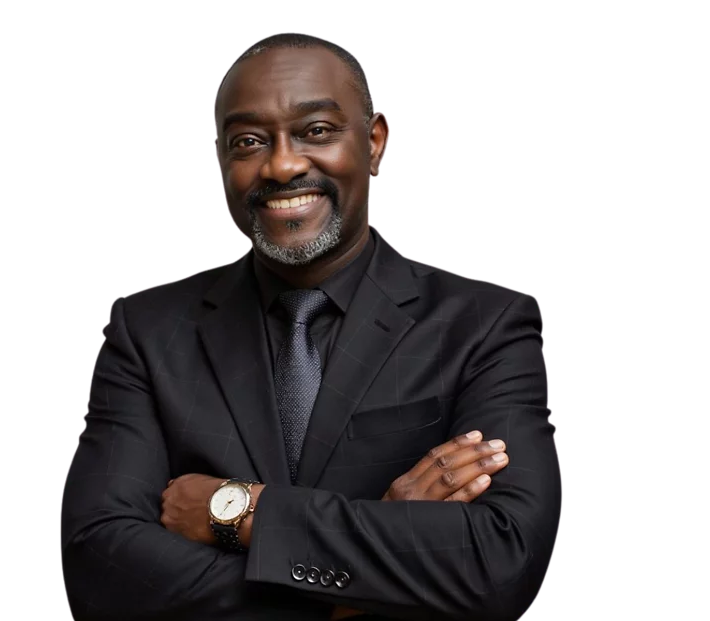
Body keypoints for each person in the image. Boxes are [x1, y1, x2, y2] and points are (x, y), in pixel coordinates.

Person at [60, 32, 561, 621]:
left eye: (316, 131)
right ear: (221, 160)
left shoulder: (484, 325)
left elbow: (502, 561)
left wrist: (241, 512)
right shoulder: (148, 330)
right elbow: (99, 563)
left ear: (374, 143)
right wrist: (358, 588)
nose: (282, 165)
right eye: (249, 142)